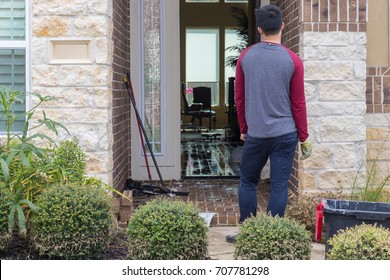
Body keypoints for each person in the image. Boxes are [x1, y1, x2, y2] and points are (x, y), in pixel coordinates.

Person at [226, 4, 312, 243]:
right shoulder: (293, 60)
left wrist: (244, 128)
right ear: (282, 26)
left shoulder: (246, 56)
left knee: (248, 180)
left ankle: (248, 234)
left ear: (260, 29)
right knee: (279, 185)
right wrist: (303, 137)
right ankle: (271, 236)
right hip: (286, 134)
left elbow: (239, 98)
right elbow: (298, 103)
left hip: (257, 134)